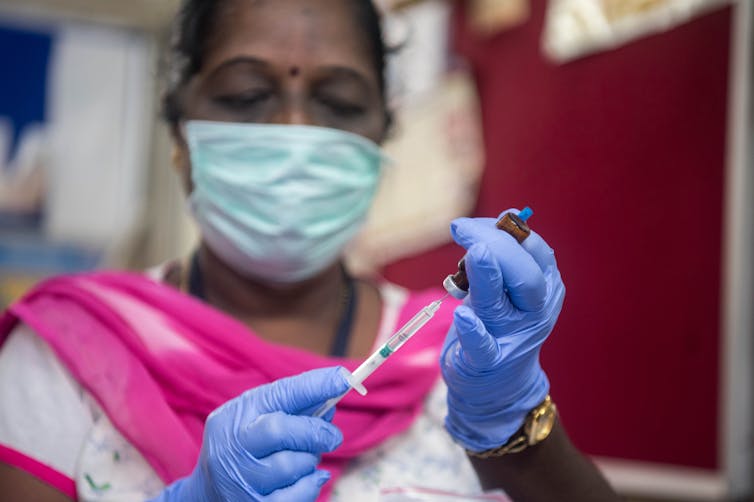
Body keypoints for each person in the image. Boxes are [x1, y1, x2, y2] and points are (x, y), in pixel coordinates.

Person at [0, 1, 620, 501]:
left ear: (381, 139)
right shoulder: (66, 353)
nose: (295, 131)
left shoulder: (462, 358)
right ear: (180, 139)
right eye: (246, 95)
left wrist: (513, 423)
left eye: (339, 103)